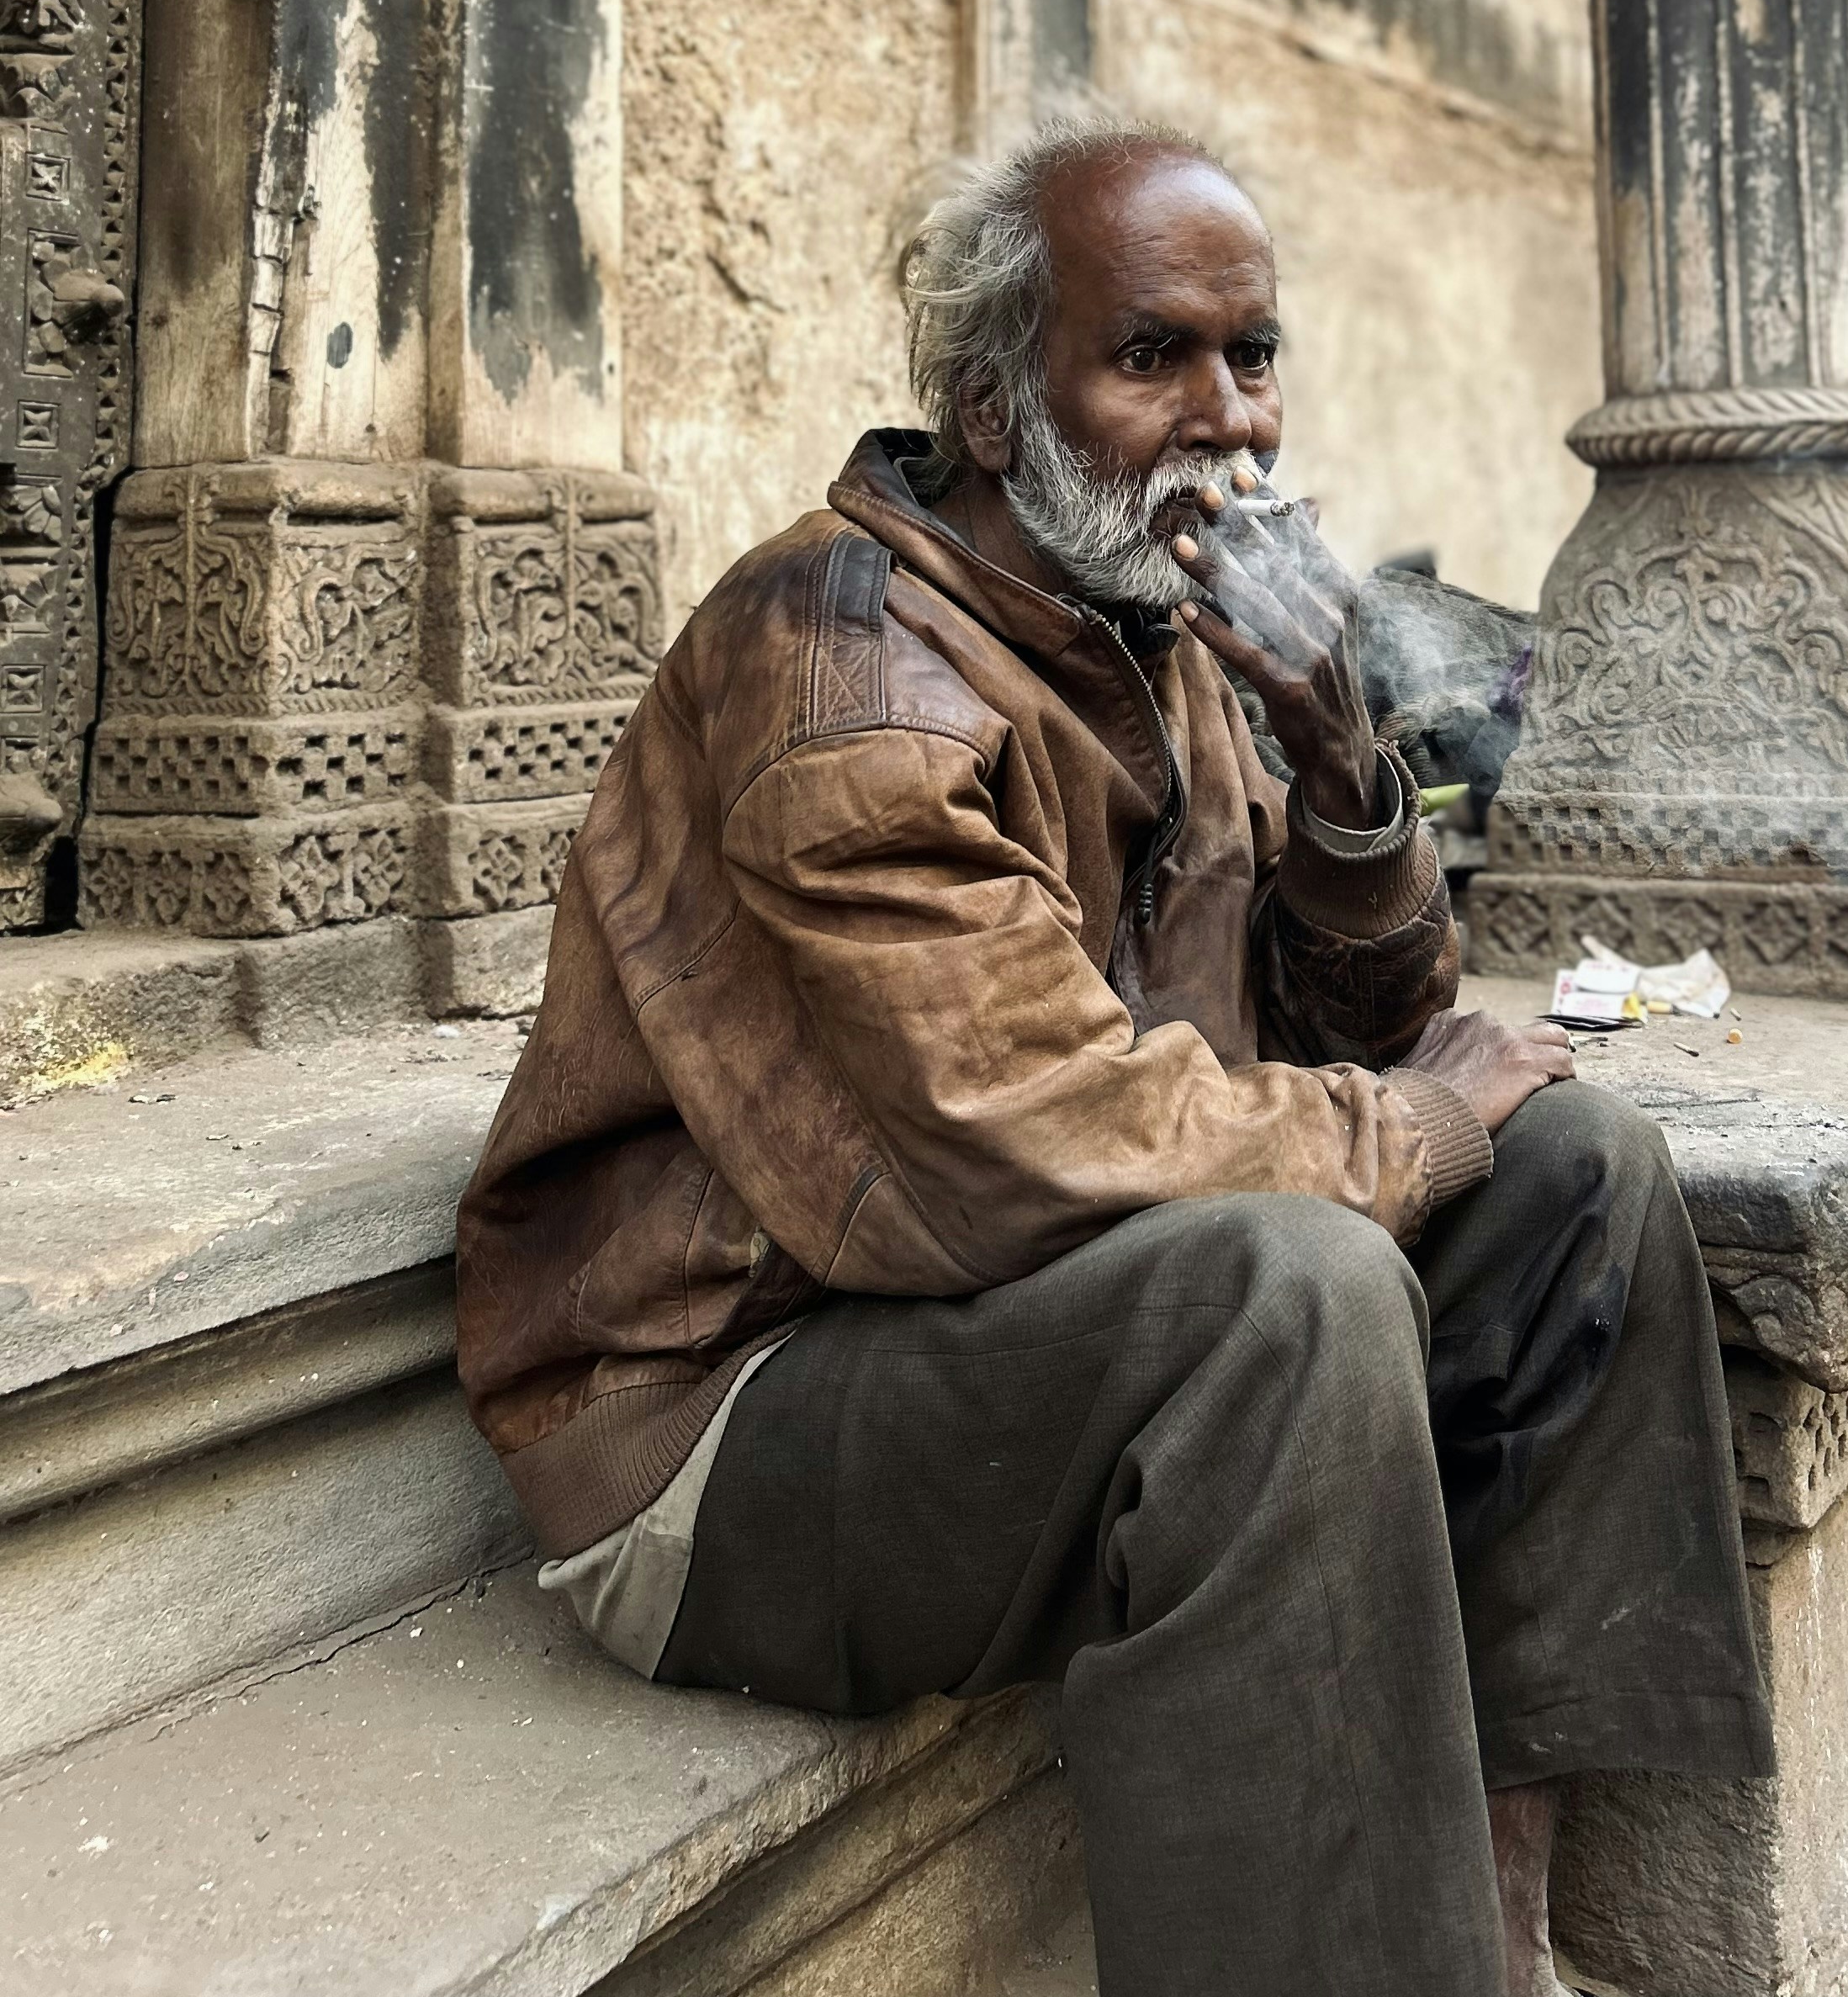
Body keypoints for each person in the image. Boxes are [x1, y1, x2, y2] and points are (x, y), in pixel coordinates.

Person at [455, 114, 1772, 1997]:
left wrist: (1342, 779)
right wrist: (1401, 1125)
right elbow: (1021, 1137)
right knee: (1295, 1285)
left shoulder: (1154, 637)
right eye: (1150, 355)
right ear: (997, 409)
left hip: (1007, 1329)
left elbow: (1370, 1035)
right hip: (715, 1426)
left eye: (1253, 356)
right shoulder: (838, 660)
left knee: (1579, 1175)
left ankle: (1492, 1931)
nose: (1229, 417)